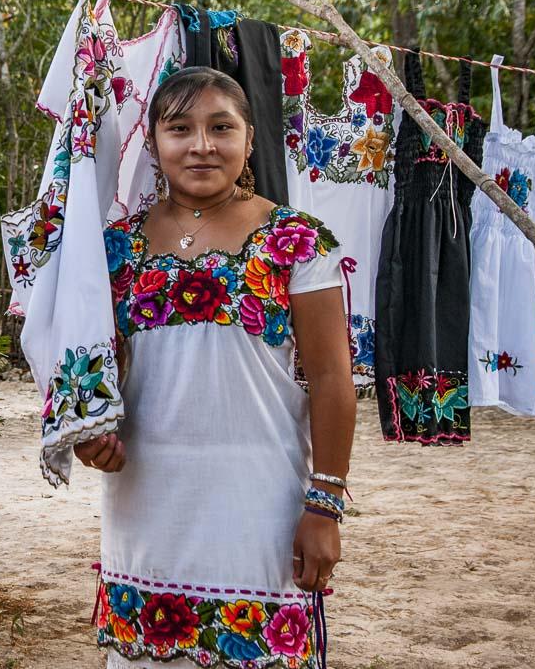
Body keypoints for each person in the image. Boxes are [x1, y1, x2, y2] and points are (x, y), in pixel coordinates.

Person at [79, 67, 355, 669]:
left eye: (220, 128)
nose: (201, 145)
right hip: (145, 505)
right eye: (180, 129)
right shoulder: (115, 247)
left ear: (249, 140)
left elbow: (334, 378)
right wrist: (90, 434)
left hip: (260, 506)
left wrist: (325, 505)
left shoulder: (299, 240)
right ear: (153, 142)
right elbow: (97, 371)